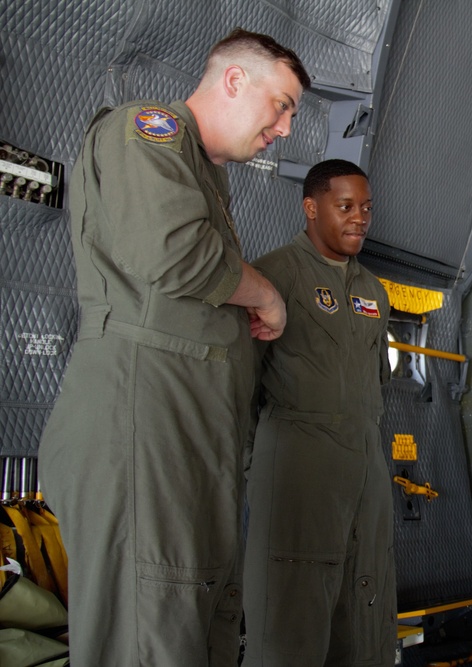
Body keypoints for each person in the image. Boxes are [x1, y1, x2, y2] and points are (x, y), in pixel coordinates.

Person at [37, 29, 310, 666]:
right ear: (235, 80)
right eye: (283, 104)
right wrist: (264, 295)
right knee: (147, 628)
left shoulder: (206, 174)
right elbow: (176, 250)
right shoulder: (148, 130)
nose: (287, 127)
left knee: (189, 621)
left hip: (185, 435)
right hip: (142, 424)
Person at [242, 159, 395, 666]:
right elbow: (241, 380)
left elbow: (378, 378)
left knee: (364, 593)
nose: (360, 218)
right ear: (311, 208)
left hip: (364, 458)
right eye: (345, 206)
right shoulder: (273, 275)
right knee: (292, 606)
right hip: (298, 455)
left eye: (366, 208)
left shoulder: (373, 290)